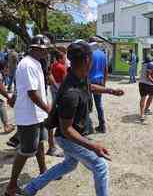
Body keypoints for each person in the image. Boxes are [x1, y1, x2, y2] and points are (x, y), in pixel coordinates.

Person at [22, 40, 124, 196]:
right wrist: (93, 146)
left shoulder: (79, 75)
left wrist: (110, 90)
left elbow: (89, 87)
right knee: (100, 166)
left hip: (71, 135)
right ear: (87, 60)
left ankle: (30, 188)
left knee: (68, 165)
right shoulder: (71, 93)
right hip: (68, 137)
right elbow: (66, 130)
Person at [5, 35, 52, 196]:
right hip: (28, 115)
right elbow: (32, 93)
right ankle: (11, 186)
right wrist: (48, 109)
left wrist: (45, 109)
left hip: (37, 114)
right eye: (45, 50)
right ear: (36, 49)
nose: (47, 53)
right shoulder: (27, 64)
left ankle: (43, 172)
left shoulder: (36, 63)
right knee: (26, 150)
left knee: (39, 143)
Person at [88, 37, 108, 133]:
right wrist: (104, 84)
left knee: (87, 104)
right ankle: (102, 125)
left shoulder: (89, 54)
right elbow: (105, 70)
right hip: (100, 81)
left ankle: (87, 126)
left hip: (89, 82)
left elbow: (87, 69)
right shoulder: (103, 54)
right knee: (98, 104)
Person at [139, 55, 153, 122]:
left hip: (141, 83)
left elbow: (149, 71)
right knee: (149, 97)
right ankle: (143, 113)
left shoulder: (143, 64)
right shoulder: (150, 64)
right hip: (148, 84)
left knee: (144, 98)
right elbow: (148, 76)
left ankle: (144, 112)